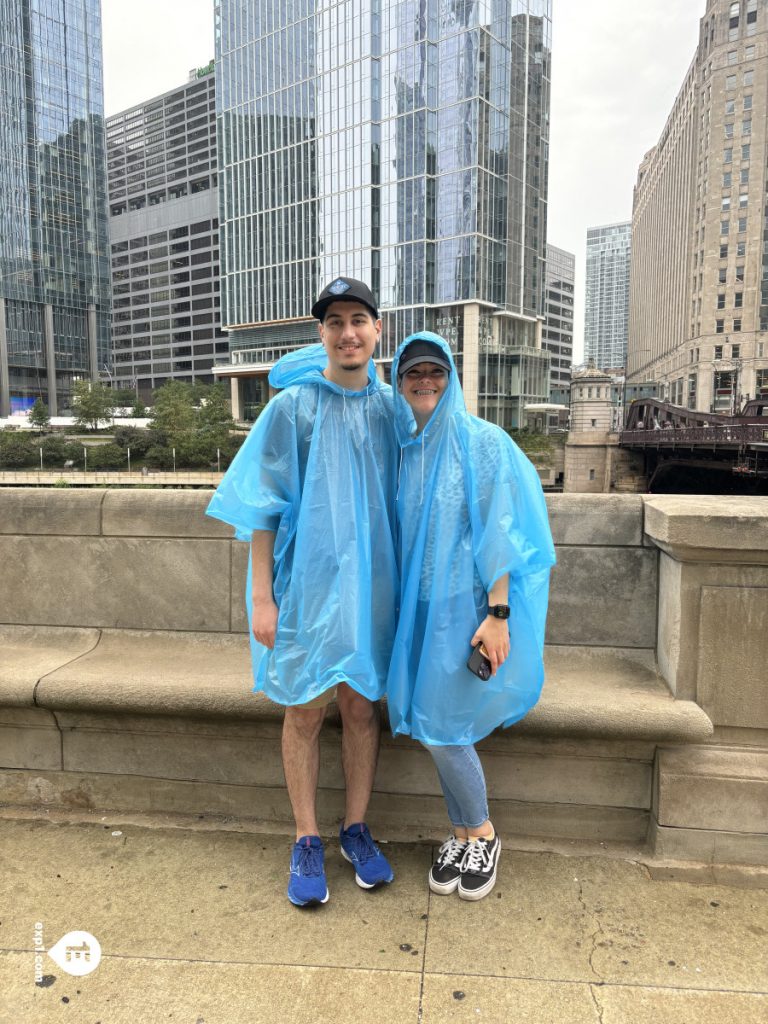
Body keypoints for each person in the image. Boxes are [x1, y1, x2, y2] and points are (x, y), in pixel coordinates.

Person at [206, 278, 398, 907]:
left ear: (377, 330)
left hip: (372, 585)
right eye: (335, 321)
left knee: (362, 708)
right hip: (307, 587)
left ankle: (356, 828)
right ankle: (306, 837)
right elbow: (261, 505)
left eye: (359, 319)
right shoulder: (294, 408)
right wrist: (262, 598)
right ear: (321, 333)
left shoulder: (391, 408)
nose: (348, 332)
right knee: (305, 709)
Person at [387, 332, 555, 902]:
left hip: (466, 607)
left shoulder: (480, 441)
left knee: (445, 728)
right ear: (399, 381)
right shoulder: (404, 447)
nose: (425, 381)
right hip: (418, 609)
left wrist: (498, 613)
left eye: (435, 370)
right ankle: (460, 834)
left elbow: (501, 527)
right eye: (413, 372)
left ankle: (482, 833)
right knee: (435, 725)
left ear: (451, 377)